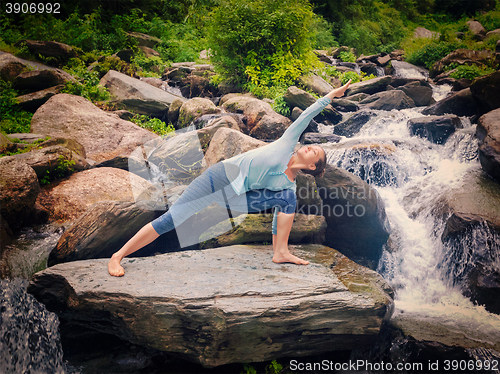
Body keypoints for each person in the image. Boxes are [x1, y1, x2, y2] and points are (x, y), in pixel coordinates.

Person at [108, 80, 351, 276]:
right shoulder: (286, 143)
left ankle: (281, 252)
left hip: (236, 199)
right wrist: (331, 95)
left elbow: (280, 200)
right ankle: (118, 256)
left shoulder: (287, 184)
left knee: (288, 199)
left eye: (315, 153)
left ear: (310, 166)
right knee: (172, 219)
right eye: (312, 147)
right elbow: (306, 116)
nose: (310, 148)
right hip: (220, 177)